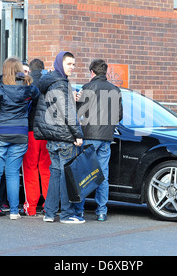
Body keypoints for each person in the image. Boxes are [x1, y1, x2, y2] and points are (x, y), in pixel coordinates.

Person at [0, 57, 40, 220]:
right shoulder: (28, 89)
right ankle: (13, 211)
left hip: (0, 133)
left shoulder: (0, 89)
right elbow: (37, 97)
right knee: (12, 173)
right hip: (20, 133)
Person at [33, 51, 84, 224]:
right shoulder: (60, 83)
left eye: (74, 64)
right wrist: (77, 134)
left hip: (52, 137)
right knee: (65, 176)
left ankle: (49, 213)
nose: (72, 67)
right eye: (69, 64)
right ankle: (66, 214)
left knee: (55, 175)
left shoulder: (50, 81)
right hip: (64, 137)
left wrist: (72, 98)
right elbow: (67, 112)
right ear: (60, 64)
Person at [74, 59, 123, 221]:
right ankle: (101, 211)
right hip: (106, 138)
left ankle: (79, 210)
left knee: (85, 172)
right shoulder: (115, 90)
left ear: (92, 72)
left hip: (88, 136)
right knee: (103, 174)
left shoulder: (88, 88)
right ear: (105, 72)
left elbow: (78, 113)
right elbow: (119, 116)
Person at [21, 59, 51, 217]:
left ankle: (31, 207)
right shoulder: (51, 82)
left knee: (30, 168)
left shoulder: (29, 83)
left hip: (31, 130)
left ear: (30, 70)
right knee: (46, 169)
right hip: (48, 132)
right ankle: (48, 205)